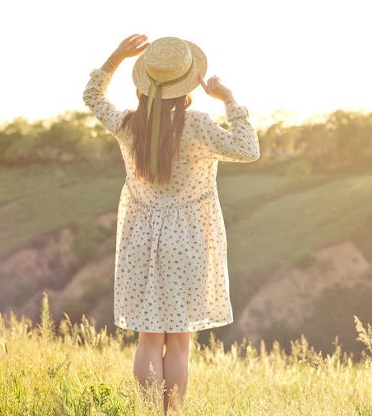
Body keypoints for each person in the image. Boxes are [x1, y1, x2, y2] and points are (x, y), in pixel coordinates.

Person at [83, 34, 260, 414]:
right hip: (189, 241)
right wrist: (229, 100)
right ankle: (171, 413)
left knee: (149, 339)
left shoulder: (129, 125)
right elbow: (249, 150)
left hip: (141, 240)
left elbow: (93, 97)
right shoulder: (197, 125)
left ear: (143, 84)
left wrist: (116, 56)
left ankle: (148, 413)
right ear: (187, 83)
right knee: (180, 341)